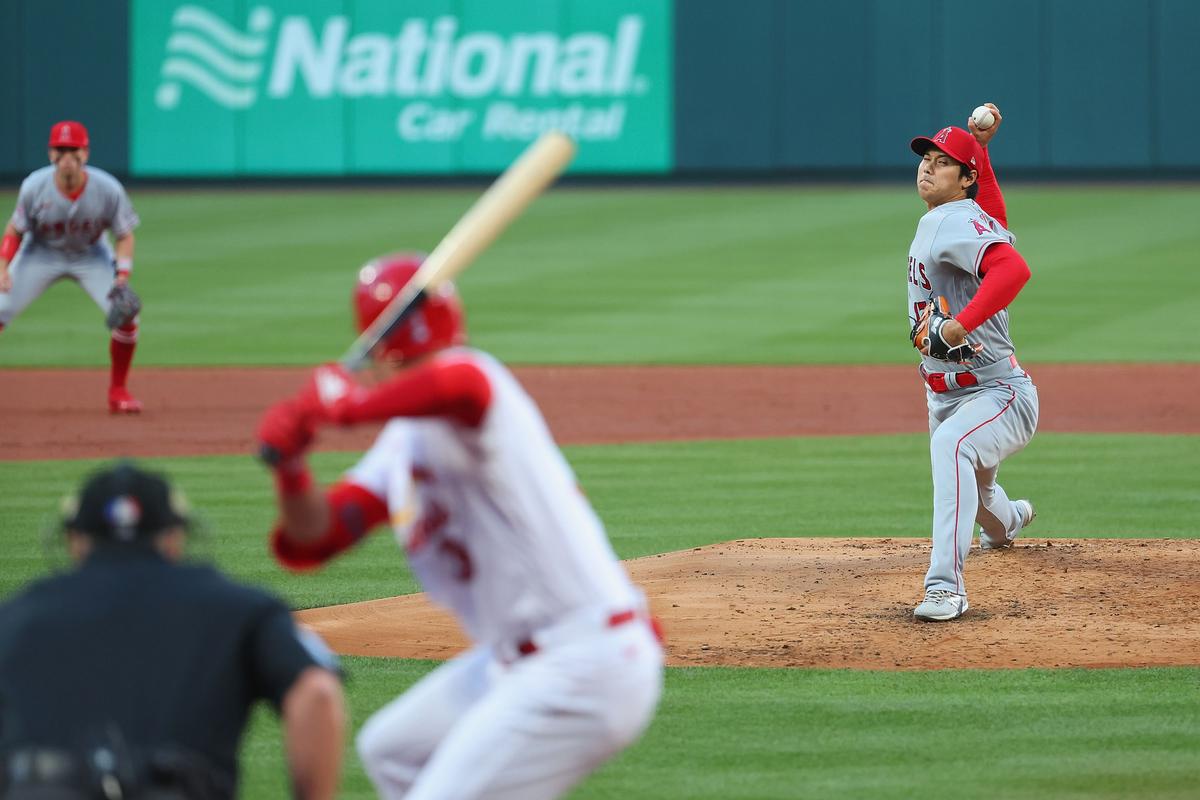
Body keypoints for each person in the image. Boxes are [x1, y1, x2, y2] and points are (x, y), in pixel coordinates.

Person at [255, 253, 664, 800]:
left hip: (584, 662)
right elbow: (315, 539)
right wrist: (290, 470)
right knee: (392, 750)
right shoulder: (401, 443)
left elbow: (460, 384)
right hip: (513, 664)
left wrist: (348, 406)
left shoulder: (478, 390)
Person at [0, 462, 346, 799]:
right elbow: (317, 693)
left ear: (76, 540)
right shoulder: (241, 607)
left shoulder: (16, 615)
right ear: (173, 537)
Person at [906, 103, 1040, 622]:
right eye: (925, 158)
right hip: (948, 390)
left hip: (996, 393)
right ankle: (1008, 521)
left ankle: (945, 587)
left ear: (965, 181)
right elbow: (999, 224)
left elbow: (1013, 268)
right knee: (979, 494)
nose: (927, 166)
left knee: (952, 446)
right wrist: (980, 151)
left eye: (941, 162)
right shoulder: (960, 216)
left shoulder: (951, 219)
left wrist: (959, 326)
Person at [0, 120, 144, 413]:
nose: (67, 156)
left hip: (91, 256)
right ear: (50, 154)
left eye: (73, 150)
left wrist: (122, 276)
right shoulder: (34, 186)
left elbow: (124, 235)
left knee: (127, 318)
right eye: (60, 149)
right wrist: (3, 265)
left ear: (85, 154)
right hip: (39, 254)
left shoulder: (107, 188)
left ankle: (118, 392)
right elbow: (15, 230)